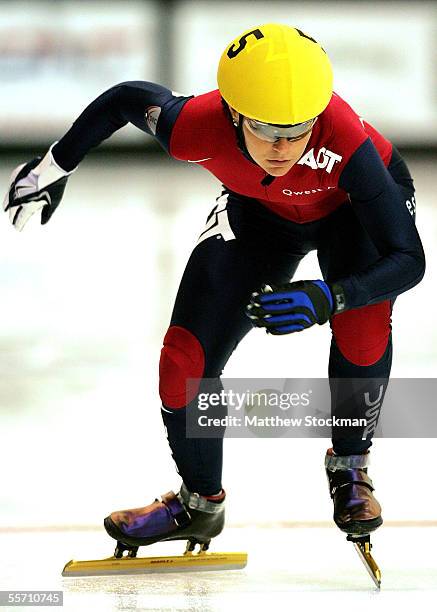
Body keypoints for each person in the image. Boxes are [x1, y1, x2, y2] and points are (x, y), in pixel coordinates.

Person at [3, 24, 425, 555]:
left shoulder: (345, 142)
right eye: (267, 130)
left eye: (299, 130)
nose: (284, 148)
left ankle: (350, 466)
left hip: (353, 217)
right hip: (261, 218)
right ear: (231, 112)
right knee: (184, 361)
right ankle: (199, 504)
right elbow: (124, 100)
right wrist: (54, 166)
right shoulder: (192, 126)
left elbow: (408, 261)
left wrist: (328, 296)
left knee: (361, 330)